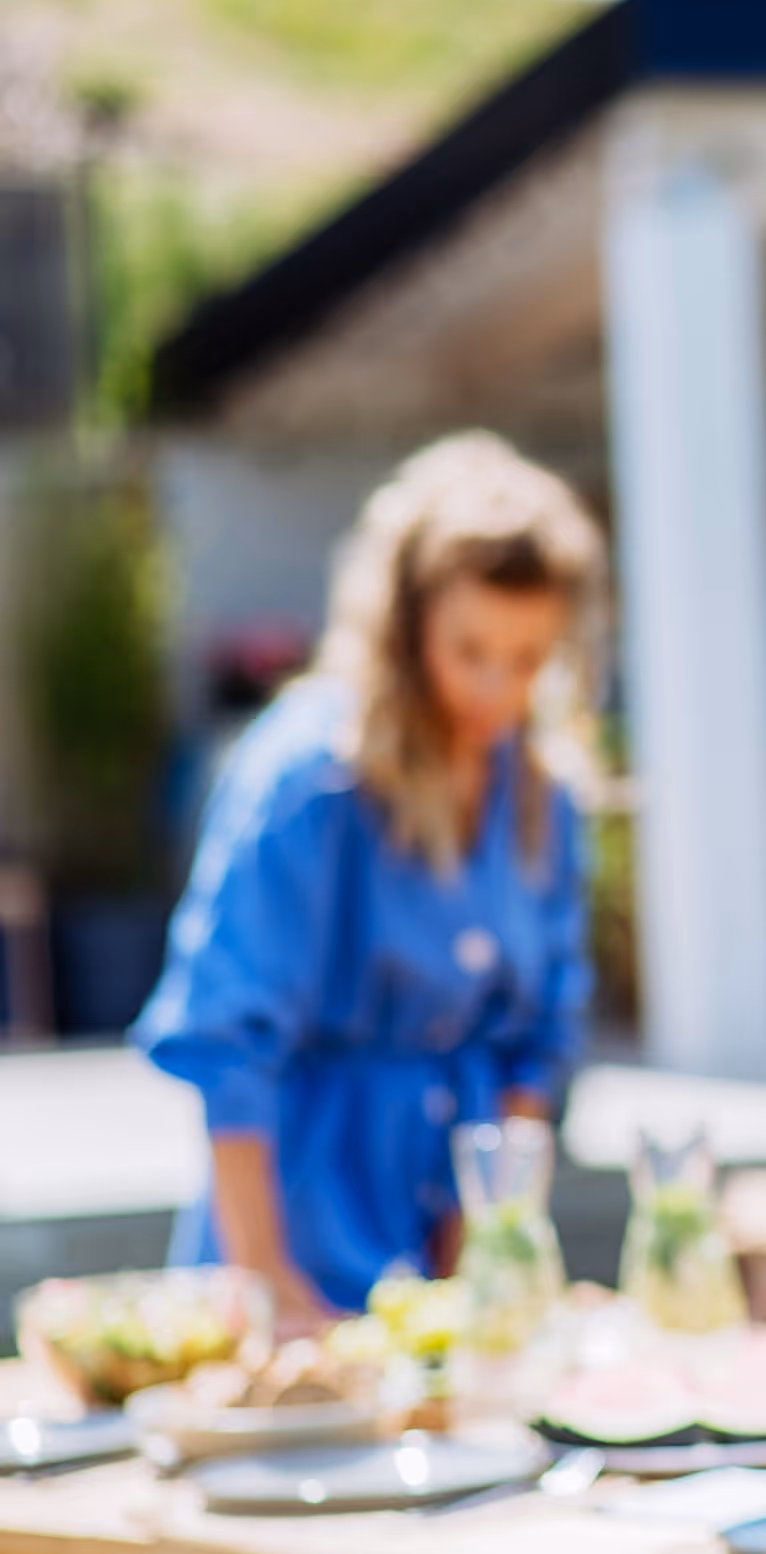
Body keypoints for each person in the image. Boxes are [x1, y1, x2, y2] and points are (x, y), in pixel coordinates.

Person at [133, 433, 608, 1331]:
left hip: (453, 1246)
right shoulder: (309, 776)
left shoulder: (546, 788)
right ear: (405, 623)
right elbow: (229, 1041)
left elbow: (539, 1045)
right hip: (296, 1230)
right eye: (470, 649)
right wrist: (269, 1281)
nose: (497, 688)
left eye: (529, 658)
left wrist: (485, 1258)